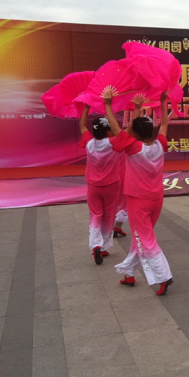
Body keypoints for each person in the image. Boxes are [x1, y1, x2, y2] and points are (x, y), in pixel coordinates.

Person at [105, 91, 174, 296]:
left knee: (145, 239)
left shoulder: (134, 147)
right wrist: (163, 102)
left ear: (134, 133)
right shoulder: (160, 144)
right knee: (140, 238)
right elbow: (164, 124)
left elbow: (117, 129)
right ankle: (128, 271)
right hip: (156, 199)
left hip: (138, 200)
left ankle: (163, 276)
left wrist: (107, 104)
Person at [79, 105, 121, 265]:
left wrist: (86, 108)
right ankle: (103, 247)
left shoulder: (89, 143)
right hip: (112, 185)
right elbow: (125, 132)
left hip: (93, 186)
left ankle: (95, 245)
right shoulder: (113, 143)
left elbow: (82, 125)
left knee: (95, 215)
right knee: (109, 214)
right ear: (108, 131)